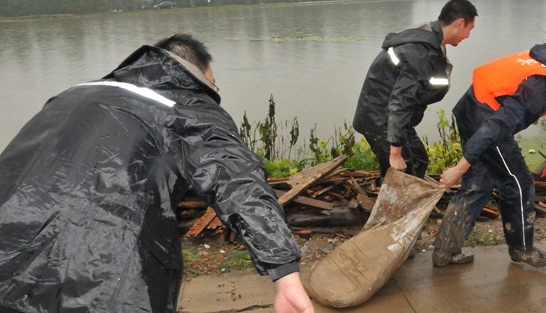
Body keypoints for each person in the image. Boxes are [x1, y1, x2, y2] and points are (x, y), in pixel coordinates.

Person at [0, 34, 314, 313]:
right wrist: (284, 273)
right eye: (212, 84)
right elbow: (237, 181)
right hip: (104, 274)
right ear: (199, 75)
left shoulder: (71, 96)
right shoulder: (187, 105)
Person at [432, 43, 546, 268]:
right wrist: (458, 170)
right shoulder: (541, 89)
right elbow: (496, 126)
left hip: (471, 107)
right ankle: (521, 249)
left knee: (480, 183)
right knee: (519, 182)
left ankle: (445, 249)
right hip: (486, 120)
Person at [352, 0, 478, 181]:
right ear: (460, 23)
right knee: (403, 170)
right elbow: (401, 101)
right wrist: (395, 154)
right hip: (380, 118)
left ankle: (399, 197)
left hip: (391, 117)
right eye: (470, 29)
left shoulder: (432, 38)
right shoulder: (420, 53)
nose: (468, 36)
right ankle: (393, 206)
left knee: (418, 159)